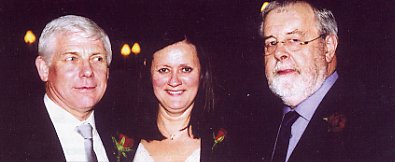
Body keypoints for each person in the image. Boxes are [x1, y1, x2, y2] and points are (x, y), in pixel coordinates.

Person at [259, 1, 374, 161]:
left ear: (328, 47)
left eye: (294, 40)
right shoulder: (255, 124)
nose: (278, 53)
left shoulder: (370, 124)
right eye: (271, 43)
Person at [12, 15, 116, 161]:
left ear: (108, 71)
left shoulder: (124, 135)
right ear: (44, 69)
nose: (88, 71)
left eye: (97, 58)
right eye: (72, 59)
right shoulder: (11, 138)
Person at [126, 30, 231, 162]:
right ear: (149, 75)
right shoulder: (119, 140)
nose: (174, 81)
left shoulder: (228, 146)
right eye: (164, 70)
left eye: (185, 69)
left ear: (202, 74)